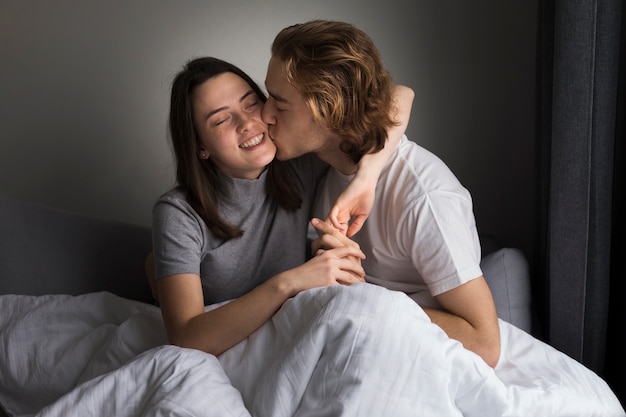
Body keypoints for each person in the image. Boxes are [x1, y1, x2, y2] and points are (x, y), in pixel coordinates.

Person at [262, 19, 501, 367]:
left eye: (279, 104)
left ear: (329, 112)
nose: (265, 114)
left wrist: (362, 298)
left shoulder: (424, 197)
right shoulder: (319, 166)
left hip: (409, 358)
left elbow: (485, 343)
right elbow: (399, 95)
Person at [149, 56, 414, 356]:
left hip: (296, 333)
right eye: (222, 120)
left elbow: (400, 95)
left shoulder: (297, 163)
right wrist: (292, 281)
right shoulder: (178, 213)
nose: (247, 123)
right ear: (200, 147)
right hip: (230, 350)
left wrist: (367, 177)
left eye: (251, 104)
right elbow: (186, 338)